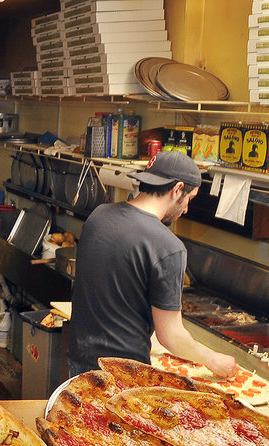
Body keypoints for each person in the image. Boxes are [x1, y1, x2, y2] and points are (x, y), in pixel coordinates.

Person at [67, 151, 237, 378]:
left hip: (79, 358)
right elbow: (170, 335)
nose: (186, 209)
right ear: (177, 189)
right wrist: (213, 359)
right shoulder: (168, 246)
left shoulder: (99, 215)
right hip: (124, 372)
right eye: (189, 199)